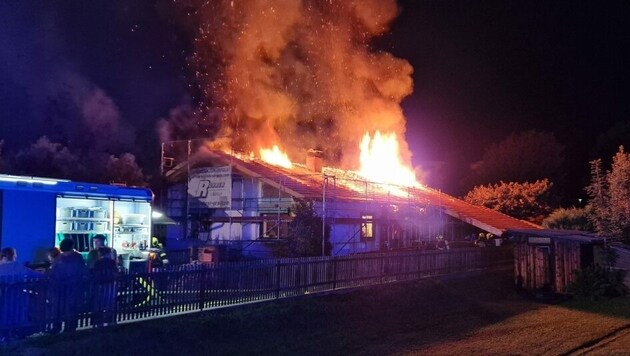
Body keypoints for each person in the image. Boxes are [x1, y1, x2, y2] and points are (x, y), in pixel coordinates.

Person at [0, 247, 42, 340]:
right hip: (19, 298)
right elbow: (38, 275)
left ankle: (4, 336)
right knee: (17, 317)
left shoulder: (1, 268)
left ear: (3, 257)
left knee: (4, 317)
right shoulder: (20, 267)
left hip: (4, 298)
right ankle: (16, 335)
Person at [48, 238, 87, 333]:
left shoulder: (58, 259)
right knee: (71, 308)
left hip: (59, 287)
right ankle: (70, 328)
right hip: (74, 287)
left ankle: (56, 327)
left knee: (58, 308)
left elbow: (53, 272)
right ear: (72, 246)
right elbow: (83, 271)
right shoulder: (78, 257)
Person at [90, 247, 118, 327]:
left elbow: (95, 274)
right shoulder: (112, 262)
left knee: (100, 304)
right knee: (110, 304)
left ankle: (98, 322)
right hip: (110, 285)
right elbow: (115, 273)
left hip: (100, 286)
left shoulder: (98, 262)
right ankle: (110, 321)